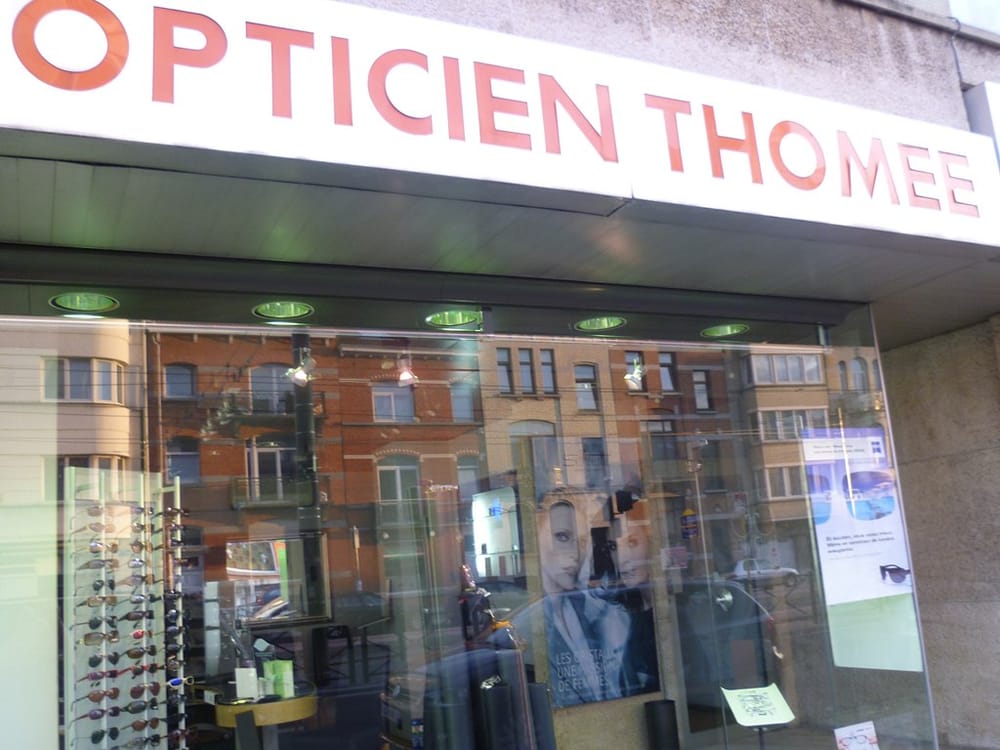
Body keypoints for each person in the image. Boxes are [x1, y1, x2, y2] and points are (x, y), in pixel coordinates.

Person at [536, 487, 630, 706]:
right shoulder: (529, 624)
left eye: (582, 541)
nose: (575, 553)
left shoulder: (592, 613)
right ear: (535, 537)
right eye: (562, 537)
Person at [612, 518, 660, 695]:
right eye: (615, 547)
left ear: (651, 548)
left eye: (632, 543)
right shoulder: (618, 612)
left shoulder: (672, 608)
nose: (622, 558)